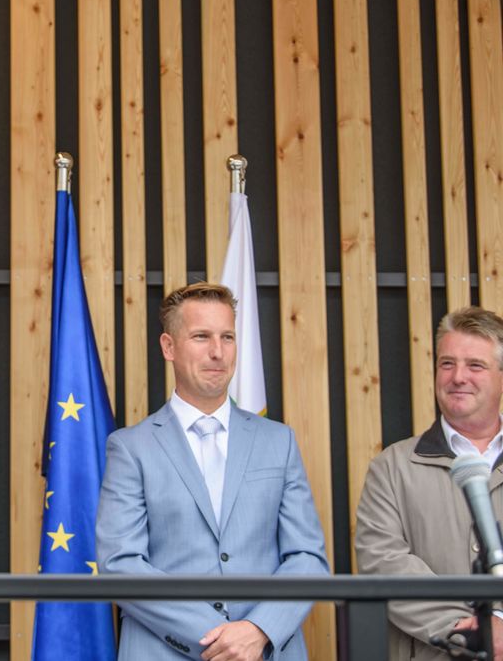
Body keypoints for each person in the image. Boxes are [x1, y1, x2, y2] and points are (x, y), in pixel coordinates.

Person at [95, 282, 329, 660]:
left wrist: (258, 630)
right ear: (168, 347)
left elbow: (307, 557)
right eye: (201, 337)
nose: (218, 352)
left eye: (227, 337)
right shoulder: (129, 448)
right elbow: (119, 564)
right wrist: (220, 639)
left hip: (265, 651)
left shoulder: (279, 441)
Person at [356, 306, 503, 661]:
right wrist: (469, 629)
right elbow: (383, 562)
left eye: (475, 365)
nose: (458, 377)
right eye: (447, 363)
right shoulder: (392, 468)